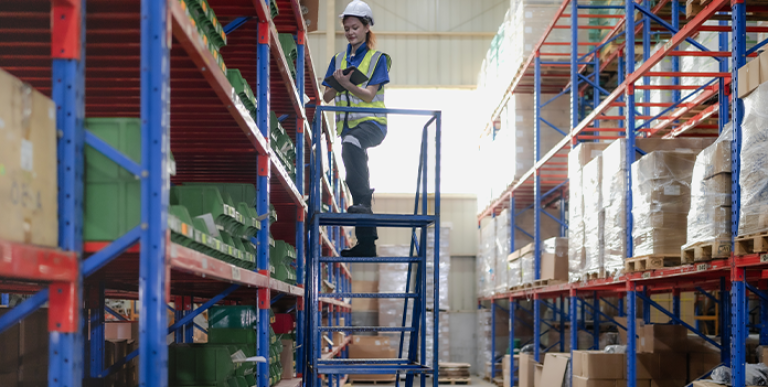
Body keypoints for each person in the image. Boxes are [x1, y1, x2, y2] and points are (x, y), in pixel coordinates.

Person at [322, 0, 391, 257]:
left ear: (366, 28)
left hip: (373, 124)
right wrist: (338, 82)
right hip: (349, 129)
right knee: (354, 179)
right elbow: (327, 96)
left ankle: (363, 202)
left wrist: (346, 82)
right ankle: (366, 243)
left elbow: (368, 95)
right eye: (347, 28)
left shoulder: (377, 59)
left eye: (355, 28)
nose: (351, 33)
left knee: (352, 149)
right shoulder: (338, 60)